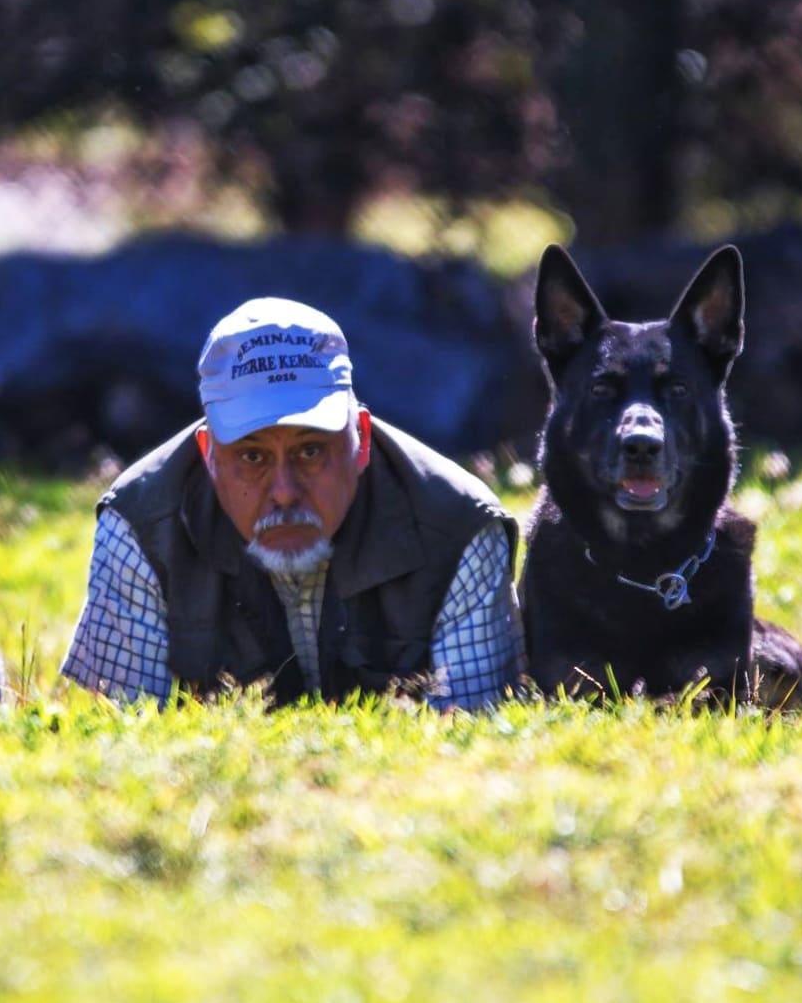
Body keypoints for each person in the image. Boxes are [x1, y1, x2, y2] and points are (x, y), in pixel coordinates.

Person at [61, 297, 524, 709]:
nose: (284, 490)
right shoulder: (139, 525)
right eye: (252, 456)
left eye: (310, 451)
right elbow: (128, 741)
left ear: (360, 440)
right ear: (208, 457)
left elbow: (470, 737)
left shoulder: (459, 526)